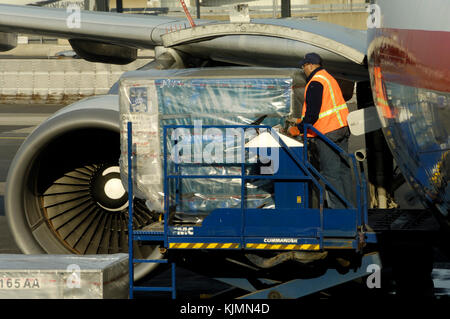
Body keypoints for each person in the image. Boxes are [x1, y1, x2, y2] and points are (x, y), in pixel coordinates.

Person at [288, 53, 352, 209]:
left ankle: (339, 213)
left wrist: (297, 129)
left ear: (310, 65)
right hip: (342, 128)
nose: (303, 70)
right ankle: (351, 210)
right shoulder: (328, 78)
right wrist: (300, 121)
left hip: (327, 133)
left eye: (303, 66)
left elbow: (312, 115)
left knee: (331, 174)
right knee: (344, 172)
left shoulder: (315, 82)